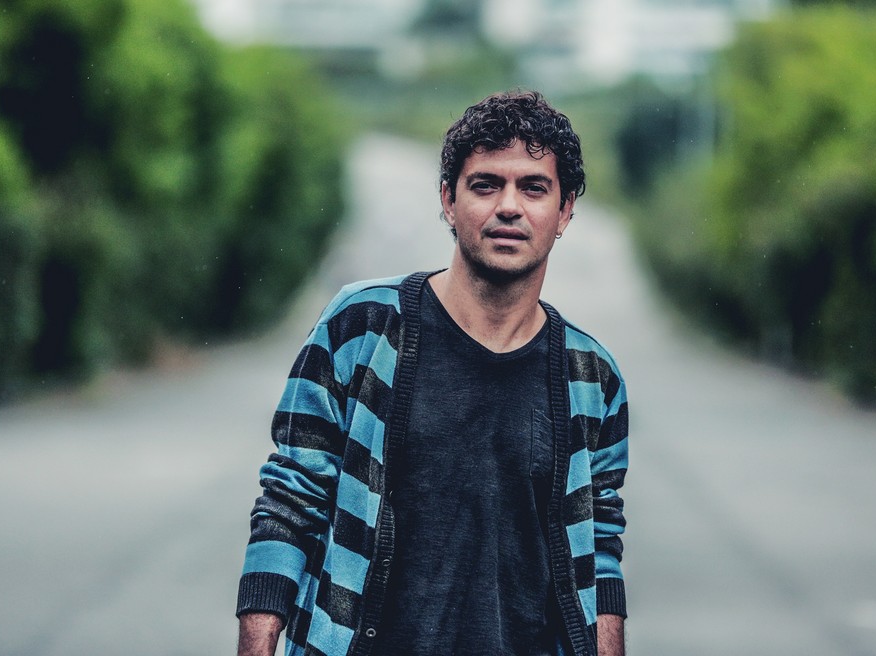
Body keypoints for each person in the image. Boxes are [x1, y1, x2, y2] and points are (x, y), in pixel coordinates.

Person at [236, 90, 629, 656]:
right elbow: (290, 503)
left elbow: (600, 543)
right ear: (448, 200)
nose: (509, 206)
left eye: (533, 187)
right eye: (485, 185)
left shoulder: (591, 377)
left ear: (565, 210)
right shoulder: (362, 327)